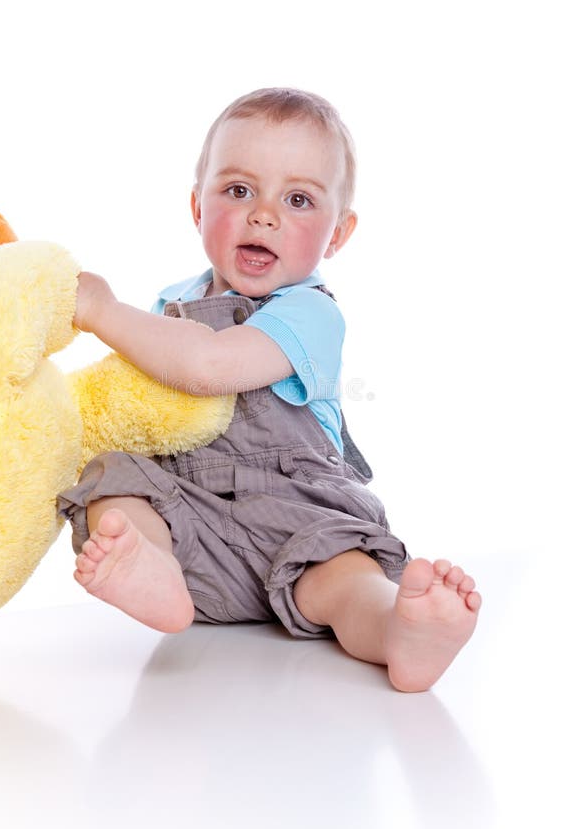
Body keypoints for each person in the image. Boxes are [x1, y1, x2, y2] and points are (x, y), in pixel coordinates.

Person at [58, 87, 481, 692]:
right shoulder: (172, 306)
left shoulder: (311, 312)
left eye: (300, 199)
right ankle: (151, 569)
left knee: (343, 579)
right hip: (195, 524)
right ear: (197, 208)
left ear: (338, 233)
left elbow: (206, 366)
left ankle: (399, 631)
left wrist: (100, 309)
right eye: (238, 190)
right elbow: (136, 408)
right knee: (111, 476)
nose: (264, 214)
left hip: (298, 513)